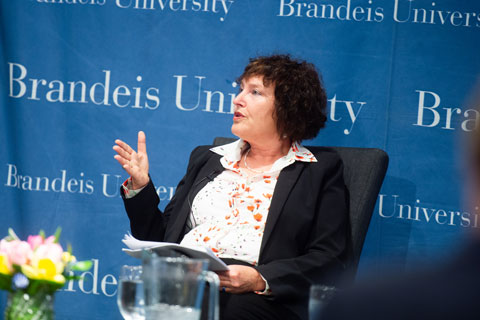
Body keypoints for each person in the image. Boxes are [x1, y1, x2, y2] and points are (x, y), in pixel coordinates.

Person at [113, 54, 351, 320]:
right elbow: (163, 241)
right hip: (188, 287)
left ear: (289, 108)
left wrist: (261, 278)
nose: (238, 99)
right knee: (175, 302)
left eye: (255, 92)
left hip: (260, 301)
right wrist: (142, 187)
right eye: (240, 90)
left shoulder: (318, 170)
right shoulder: (208, 158)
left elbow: (330, 258)